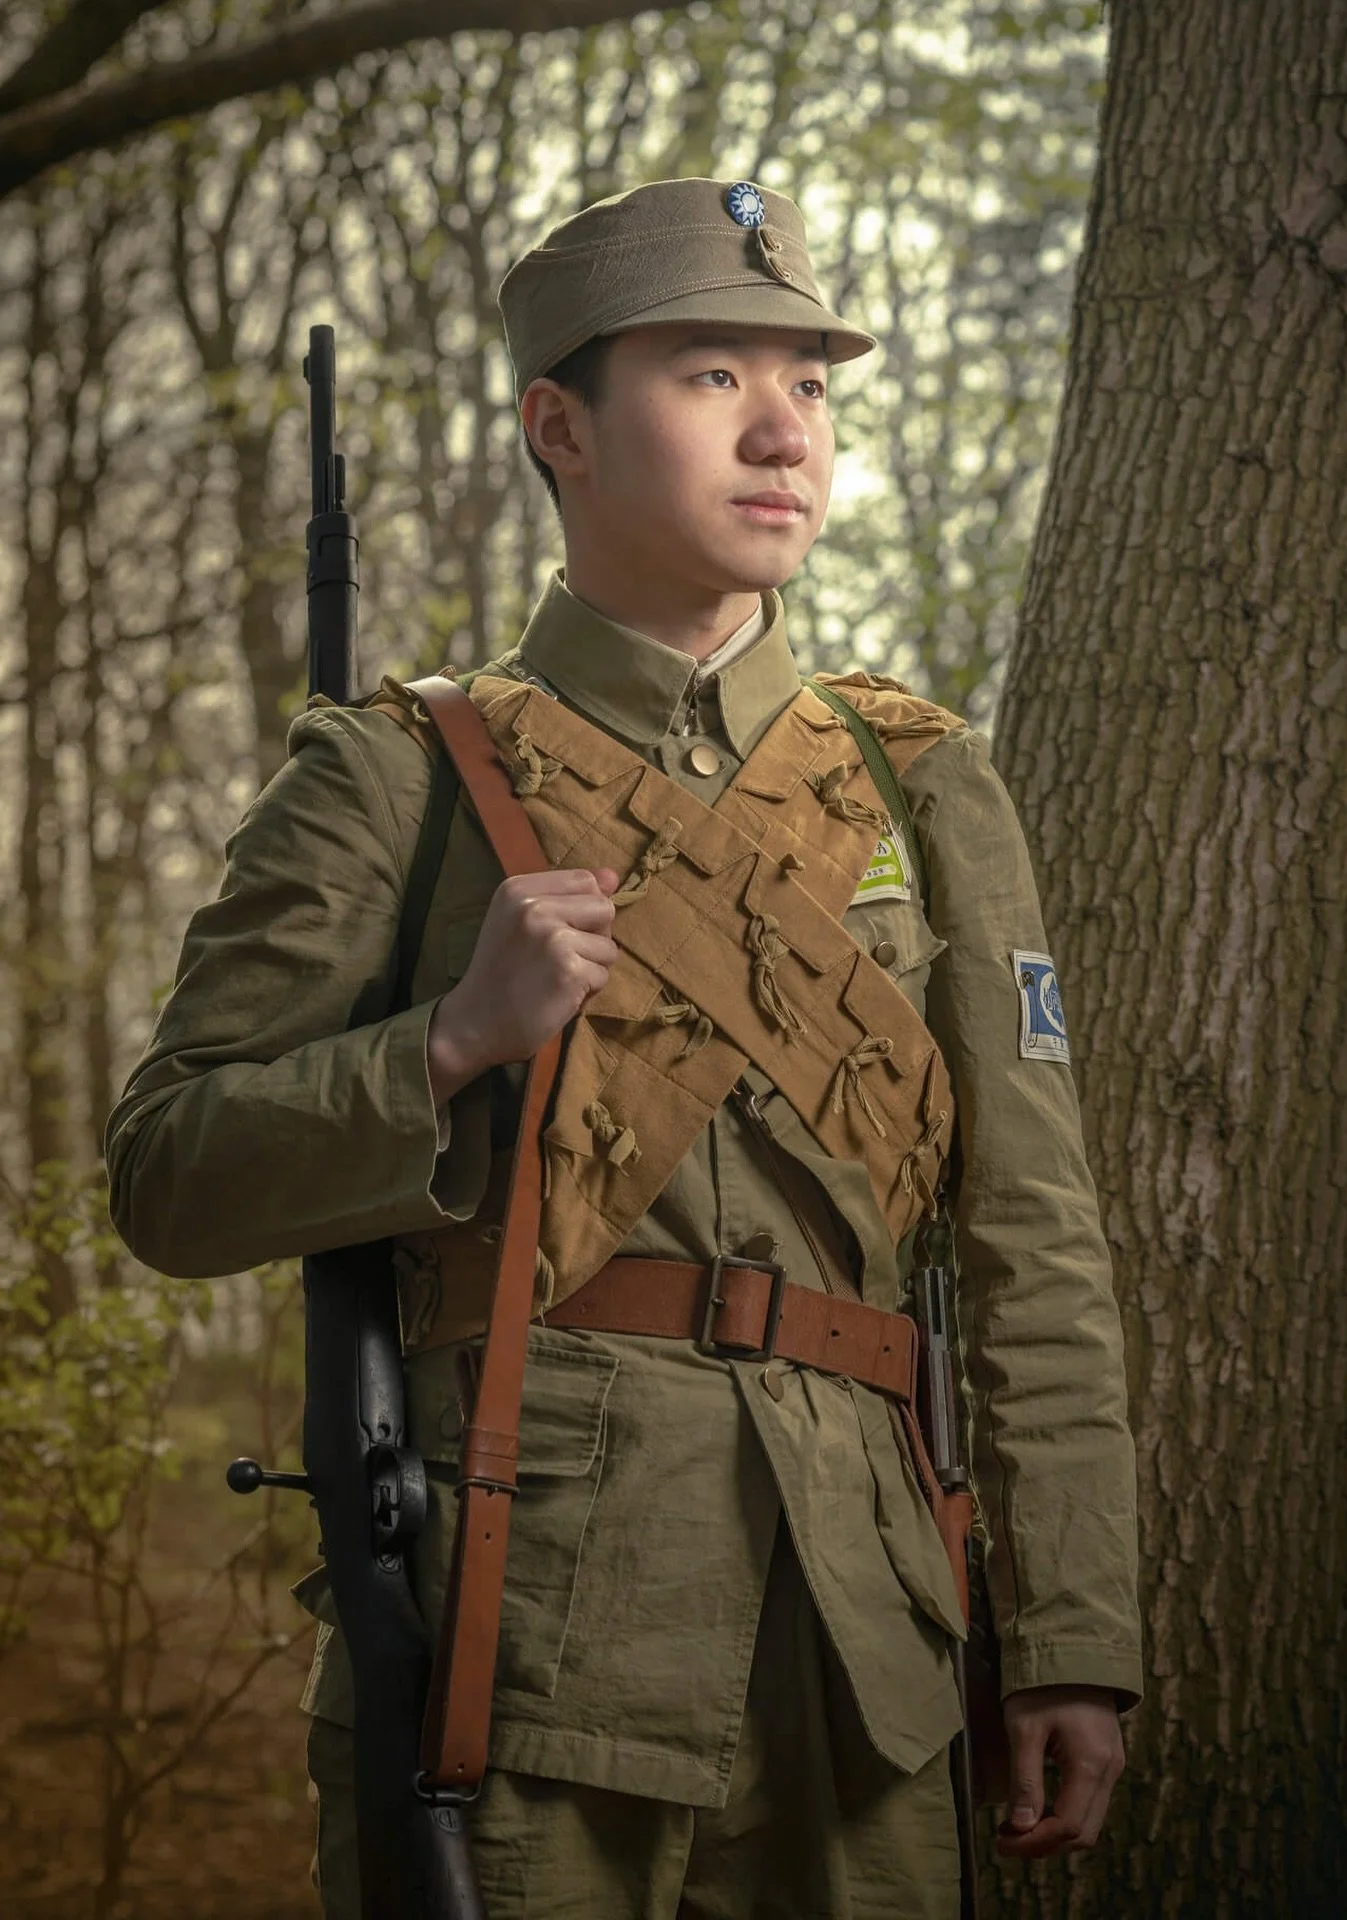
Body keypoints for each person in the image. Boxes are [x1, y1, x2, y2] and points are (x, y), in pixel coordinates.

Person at [105, 176, 1141, 1918]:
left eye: (811, 384)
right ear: (556, 425)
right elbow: (169, 1175)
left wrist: (1074, 1640)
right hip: (524, 1627)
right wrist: (444, 1046)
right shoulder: (396, 773)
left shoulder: (922, 784)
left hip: (870, 1653)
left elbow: (1035, 1246)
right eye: (711, 373)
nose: (781, 429)